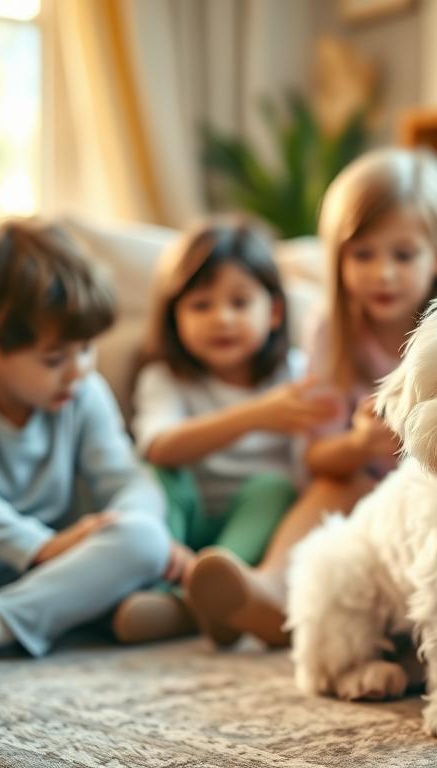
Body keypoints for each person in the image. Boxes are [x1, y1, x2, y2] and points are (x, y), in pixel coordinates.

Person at [186, 147, 437, 647]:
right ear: (337, 260)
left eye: (403, 255)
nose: (382, 273)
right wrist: (359, 444)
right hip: (361, 494)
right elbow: (315, 458)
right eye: (363, 255)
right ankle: (267, 592)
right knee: (336, 484)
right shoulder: (331, 331)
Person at [0, 218, 170, 672]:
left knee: (146, 538)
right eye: (55, 358)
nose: (78, 370)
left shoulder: (83, 392)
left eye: (86, 349)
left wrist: (122, 519)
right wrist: (38, 547)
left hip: (50, 577)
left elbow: (128, 478)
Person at [113, 218, 339, 644]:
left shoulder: (295, 374)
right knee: (160, 477)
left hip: (254, 533)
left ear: (274, 312)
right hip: (185, 526)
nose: (222, 319)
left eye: (239, 302)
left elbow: (309, 464)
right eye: (201, 305)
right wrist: (255, 415)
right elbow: (158, 447)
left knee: (274, 488)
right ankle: (170, 588)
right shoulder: (165, 378)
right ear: (174, 316)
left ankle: (209, 595)